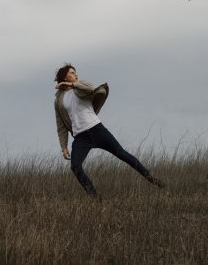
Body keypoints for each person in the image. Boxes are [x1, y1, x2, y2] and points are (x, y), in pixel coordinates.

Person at [54, 63, 164, 197]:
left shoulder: (80, 86)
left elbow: (92, 88)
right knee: (75, 167)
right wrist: (63, 147)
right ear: (64, 77)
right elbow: (60, 125)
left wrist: (72, 85)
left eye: (76, 72)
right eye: (72, 73)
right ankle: (95, 199)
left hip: (97, 129)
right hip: (81, 137)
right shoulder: (59, 100)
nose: (76, 74)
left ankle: (151, 178)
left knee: (122, 154)